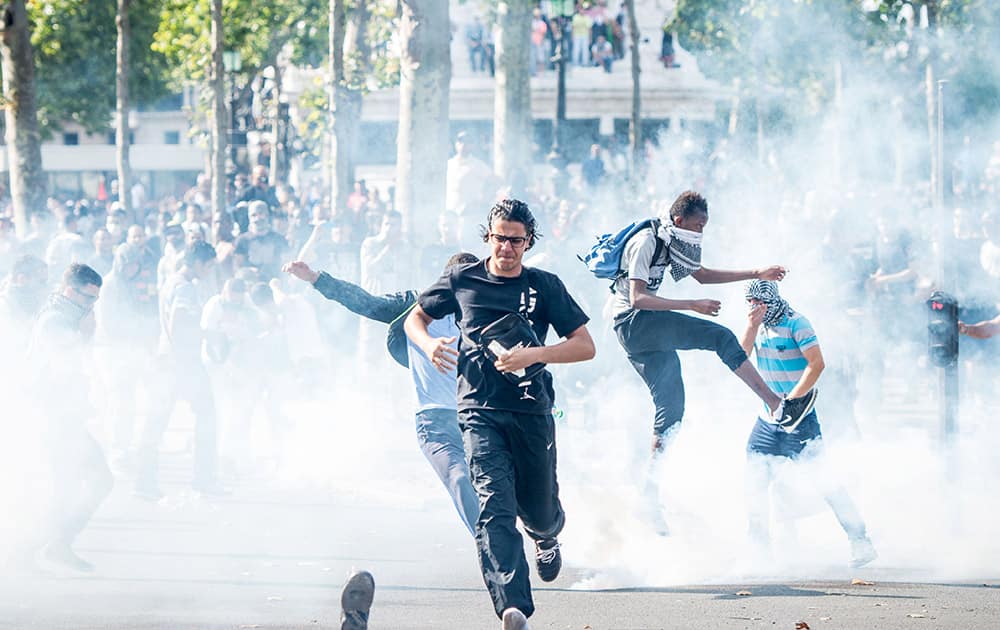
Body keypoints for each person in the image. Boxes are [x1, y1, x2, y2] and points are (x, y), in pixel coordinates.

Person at [405, 199, 595, 630]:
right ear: (487, 236)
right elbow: (414, 318)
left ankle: (547, 537)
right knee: (493, 504)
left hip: (531, 410)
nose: (506, 248)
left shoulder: (544, 285)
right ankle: (513, 608)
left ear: (528, 242)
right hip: (477, 410)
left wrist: (536, 353)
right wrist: (429, 344)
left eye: (515, 240)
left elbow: (585, 345)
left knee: (539, 510)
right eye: (498, 238)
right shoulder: (461, 279)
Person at [609, 191, 802, 531]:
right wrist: (690, 305)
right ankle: (774, 402)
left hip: (645, 333)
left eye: (705, 227)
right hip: (634, 325)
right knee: (721, 337)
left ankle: (648, 496)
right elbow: (638, 298)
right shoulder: (647, 241)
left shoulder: (671, 240)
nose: (700, 233)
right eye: (698, 226)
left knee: (672, 410)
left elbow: (702, 274)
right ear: (680, 220)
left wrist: (757, 271)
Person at [282, 254, 481, 535]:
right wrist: (316, 279)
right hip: (434, 420)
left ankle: (539, 537)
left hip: (478, 418)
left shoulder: (483, 315)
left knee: (495, 486)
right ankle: (489, 544)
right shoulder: (416, 307)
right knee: (460, 479)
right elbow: (368, 303)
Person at [740, 280, 877, 568]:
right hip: (768, 420)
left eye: (758, 302)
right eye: (749, 302)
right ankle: (759, 549)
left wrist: (793, 400)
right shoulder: (758, 326)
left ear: (771, 300)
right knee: (755, 482)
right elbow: (740, 359)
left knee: (824, 481)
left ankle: (860, 540)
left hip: (799, 419)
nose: (754, 307)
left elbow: (817, 364)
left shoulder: (796, 323)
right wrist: (751, 327)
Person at [25, 263, 113, 571]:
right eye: (87, 299)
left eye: (95, 301)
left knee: (89, 482)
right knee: (66, 487)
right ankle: (24, 552)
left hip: (66, 418)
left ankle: (55, 545)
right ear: (69, 291)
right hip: (53, 420)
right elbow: (66, 363)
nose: (91, 307)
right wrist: (86, 335)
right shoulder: (54, 320)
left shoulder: (66, 318)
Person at [134, 241, 222, 499]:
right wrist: (209, 334)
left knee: (156, 421)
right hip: (182, 363)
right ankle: (203, 479)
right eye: (208, 266)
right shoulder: (184, 288)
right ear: (198, 263)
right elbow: (179, 327)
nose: (208, 272)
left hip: (168, 361)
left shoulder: (171, 281)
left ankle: (144, 482)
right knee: (207, 417)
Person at [233, 200, 290, 280]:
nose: (257, 218)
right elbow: (237, 268)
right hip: (251, 284)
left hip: (276, 283)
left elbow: (287, 264)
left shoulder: (279, 239)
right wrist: (248, 272)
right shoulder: (242, 240)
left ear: (267, 215)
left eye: (260, 213)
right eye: (253, 215)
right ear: (249, 217)